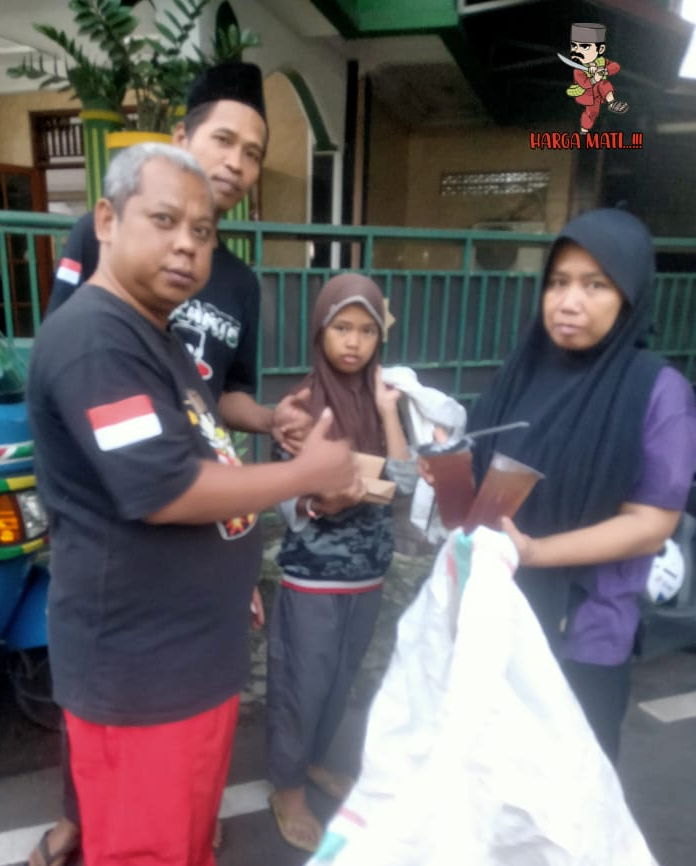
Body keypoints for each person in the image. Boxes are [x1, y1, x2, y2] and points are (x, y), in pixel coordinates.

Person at [27, 143, 357, 866]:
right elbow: (167, 488)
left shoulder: (156, 336)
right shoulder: (94, 341)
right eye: (165, 220)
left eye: (203, 231)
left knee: (182, 846)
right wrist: (304, 474)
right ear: (107, 221)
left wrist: (232, 571)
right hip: (142, 676)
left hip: (187, 661)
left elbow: (203, 456)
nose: (187, 244)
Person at [466, 208, 696, 764]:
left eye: (595, 285)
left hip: (585, 632)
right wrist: (449, 475)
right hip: (496, 613)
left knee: (568, 786)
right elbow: (483, 471)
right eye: (558, 282)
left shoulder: (656, 390)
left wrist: (536, 552)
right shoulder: (523, 369)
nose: (569, 302)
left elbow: (651, 524)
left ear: (629, 296)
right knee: (492, 775)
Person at [48, 59, 306, 447]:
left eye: (252, 154)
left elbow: (224, 396)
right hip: (112, 465)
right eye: (223, 140)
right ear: (181, 138)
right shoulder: (107, 235)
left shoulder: (241, 283)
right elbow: (60, 355)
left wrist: (273, 420)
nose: (235, 164)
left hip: (193, 470)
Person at [265, 274, 417, 852]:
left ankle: (315, 760)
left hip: (368, 574)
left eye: (367, 331)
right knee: (301, 685)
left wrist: (387, 411)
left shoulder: (384, 400)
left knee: (339, 682)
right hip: (313, 577)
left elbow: (403, 483)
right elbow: (288, 495)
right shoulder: (301, 405)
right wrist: (322, 500)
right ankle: (287, 787)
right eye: (342, 328)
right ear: (320, 331)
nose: (354, 342)